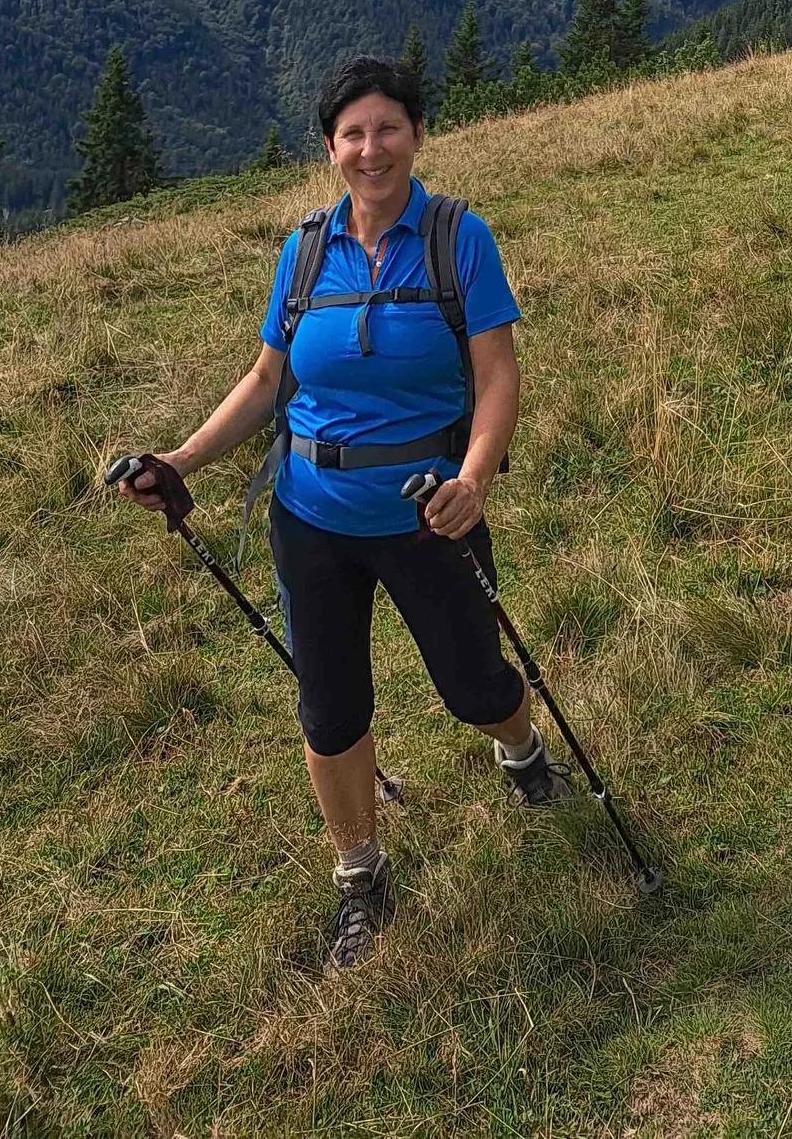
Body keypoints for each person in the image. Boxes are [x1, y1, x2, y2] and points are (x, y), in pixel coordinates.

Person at [114, 54, 566, 973]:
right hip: (309, 517)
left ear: (417, 136)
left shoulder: (457, 238)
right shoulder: (305, 248)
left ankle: (519, 749)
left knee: (475, 687)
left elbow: (496, 374)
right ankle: (361, 878)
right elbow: (267, 378)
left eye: (388, 128)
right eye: (352, 133)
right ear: (330, 147)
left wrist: (474, 478)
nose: (371, 149)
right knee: (330, 710)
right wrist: (183, 457)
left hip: (427, 513)